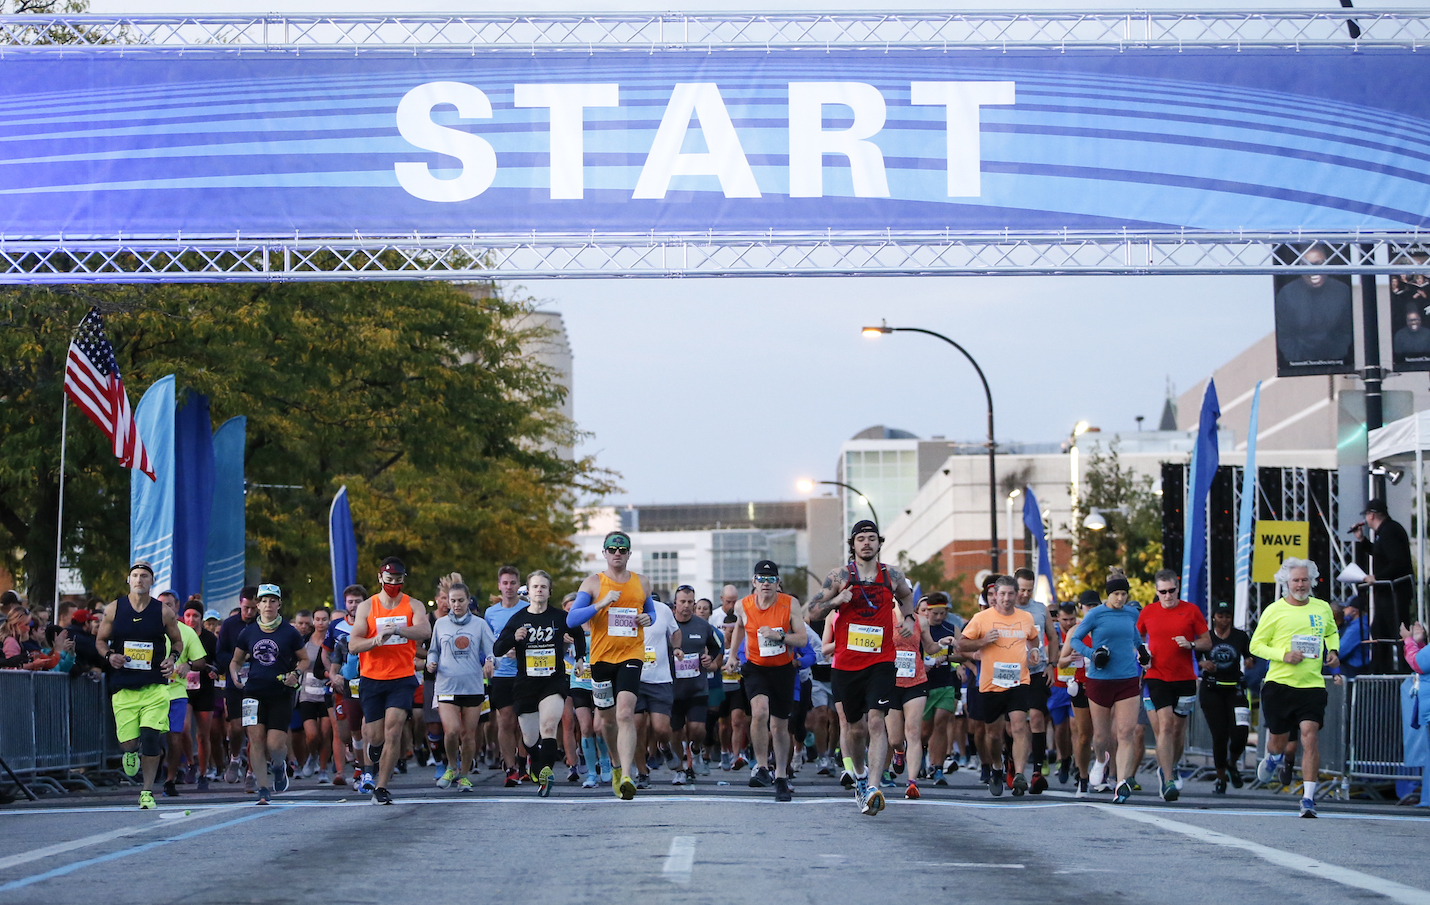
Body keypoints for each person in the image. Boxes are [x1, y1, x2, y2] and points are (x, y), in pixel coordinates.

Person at [806, 520, 918, 816]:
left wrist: (908, 620)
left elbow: (907, 597)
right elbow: (810, 612)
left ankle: (873, 786)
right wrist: (836, 601)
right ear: (853, 545)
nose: (866, 543)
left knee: (875, 722)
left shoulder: (892, 575)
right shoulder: (840, 576)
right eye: (861, 539)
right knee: (855, 729)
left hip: (881, 661)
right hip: (846, 664)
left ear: (879, 543)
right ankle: (858, 774)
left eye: (871, 538)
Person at [566, 530, 658, 800]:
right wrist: (601, 604)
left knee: (625, 714)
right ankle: (616, 766)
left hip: (631, 654)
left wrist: (647, 619)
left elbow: (650, 610)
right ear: (604, 552)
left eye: (622, 549)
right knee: (606, 722)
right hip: (601, 658)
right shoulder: (593, 583)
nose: (617, 553)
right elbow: (572, 619)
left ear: (629, 554)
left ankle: (628, 774)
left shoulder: (642, 582)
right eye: (612, 549)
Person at [1252, 558, 1340, 818]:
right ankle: (1272, 758)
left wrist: (1333, 650)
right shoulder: (1274, 611)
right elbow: (1256, 645)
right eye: (1295, 580)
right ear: (1286, 583)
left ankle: (1308, 799)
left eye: (1304, 580)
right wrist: (1283, 654)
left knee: (1309, 735)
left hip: (1311, 685)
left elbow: (1331, 632)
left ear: (1311, 581)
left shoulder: (1322, 608)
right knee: (1278, 743)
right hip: (1279, 685)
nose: (1300, 585)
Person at [95, 561, 186, 809]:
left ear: (151, 581)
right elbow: (101, 641)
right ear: (128, 580)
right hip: (124, 686)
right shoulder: (114, 609)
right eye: (135, 575)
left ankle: (147, 791)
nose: (139, 579)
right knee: (129, 743)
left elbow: (177, 642)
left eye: (144, 575)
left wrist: (172, 659)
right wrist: (109, 656)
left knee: (151, 737)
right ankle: (130, 752)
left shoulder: (163, 612)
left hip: (154, 686)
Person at [348, 557, 432, 805]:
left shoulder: (413, 605)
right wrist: (374, 641)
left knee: (394, 730)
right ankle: (374, 750)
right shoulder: (367, 606)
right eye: (389, 579)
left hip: (402, 677)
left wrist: (398, 630)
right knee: (375, 736)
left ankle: (381, 787)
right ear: (379, 578)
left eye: (398, 579)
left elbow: (425, 631)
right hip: (372, 678)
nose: (393, 584)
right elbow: (353, 644)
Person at [494, 570, 584, 797]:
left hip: (553, 681)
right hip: (526, 683)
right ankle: (535, 764)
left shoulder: (560, 617)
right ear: (529, 591)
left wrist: (580, 658)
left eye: (544, 587)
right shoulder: (518, 619)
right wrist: (514, 638)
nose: (540, 590)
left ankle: (546, 773)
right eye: (535, 587)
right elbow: (498, 649)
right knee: (530, 738)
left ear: (550, 591)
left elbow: (579, 634)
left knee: (549, 725)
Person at [725, 561, 807, 802]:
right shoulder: (743, 605)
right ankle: (761, 766)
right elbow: (740, 627)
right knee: (759, 712)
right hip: (755, 668)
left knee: (780, 725)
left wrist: (779, 635)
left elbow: (802, 640)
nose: (766, 583)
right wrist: (731, 655)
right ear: (753, 582)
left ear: (778, 583)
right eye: (761, 578)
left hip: (782, 669)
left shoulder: (790, 604)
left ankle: (781, 775)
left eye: (771, 579)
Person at [1068, 573, 1144, 804]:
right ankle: (1101, 759)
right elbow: (1075, 640)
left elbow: (1136, 637)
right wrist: (1093, 654)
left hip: (1128, 679)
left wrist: (1143, 651)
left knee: (1125, 733)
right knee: (1100, 736)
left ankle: (1121, 781)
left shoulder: (1132, 613)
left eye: (1123, 594)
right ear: (1108, 595)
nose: (1120, 598)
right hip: (1100, 679)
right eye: (1116, 594)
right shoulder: (1095, 614)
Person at [959, 575, 1037, 798]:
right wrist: (982, 642)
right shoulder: (982, 618)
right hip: (991, 683)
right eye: (1002, 594)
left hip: (1018, 680)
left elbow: (1033, 638)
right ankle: (996, 766)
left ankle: (1020, 774)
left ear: (1016, 595)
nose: (1006, 598)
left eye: (1011, 593)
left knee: (1020, 725)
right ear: (995, 596)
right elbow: (962, 643)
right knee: (993, 735)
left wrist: (1034, 651)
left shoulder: (1026, 617)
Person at [230, 585, 308, 805]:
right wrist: (235, 674)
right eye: (264, 601)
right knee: (255, 740)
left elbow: (304, 659)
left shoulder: (289, 632)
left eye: (273, 601)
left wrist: (296, 673)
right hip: (253, 692)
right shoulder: (248, 632)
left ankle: (279, 765)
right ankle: (263, 788)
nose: (268, 605)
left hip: (280, 692)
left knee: (274, 744)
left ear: (279, 605)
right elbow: (236, 660)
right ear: (257, 604)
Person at [1137, 570, 1211, 801]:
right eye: (1163, 592)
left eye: (1171, 591)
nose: (1167, 596)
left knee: (1179, 731)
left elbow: (1207, 642)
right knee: (1166, 725)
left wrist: (1190, 644)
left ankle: (1171, 765)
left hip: (1185, 678)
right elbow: (1136, 639)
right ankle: (1168, 780)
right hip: (1157, 675)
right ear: (1156, 591)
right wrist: (1141, 655)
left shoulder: (1191, 611)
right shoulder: (1148, 612)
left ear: (1177, 589)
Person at [427, 581, 494, 792]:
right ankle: (451, 766)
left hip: (472, 686)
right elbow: (433, 650)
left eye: (460, 600)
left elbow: (492, 650)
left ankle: (464, 775)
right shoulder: (440, 624)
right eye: (452, 600)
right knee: (452, 731)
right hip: (446, 685)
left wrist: (491, 661)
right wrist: (431, 661)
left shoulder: (479, 624)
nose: (456, 605)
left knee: (468, 735)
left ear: (468, 601)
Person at [885, 598, 941, 800]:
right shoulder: (885, 618)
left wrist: (943, 644)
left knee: (914, 731)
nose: (901, 603)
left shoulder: (921, 622)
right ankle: (899, 752)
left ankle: (912, 783)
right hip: (890, 684)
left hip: (916, 681)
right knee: (895, 738)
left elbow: (931, 647)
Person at [1198, 600, 1254, 794]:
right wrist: (1202, 665)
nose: (1224, 620)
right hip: (1212, 689)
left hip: (1235, 688)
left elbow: (1250, 654)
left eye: (1227, 616)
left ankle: (1232, 763)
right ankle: (1220, 777)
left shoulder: (1240, 636)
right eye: (1220, 616)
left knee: (1241, 731)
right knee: (1220, 735)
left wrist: (1249, 660)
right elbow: (1194, 657)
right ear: (1214, 617)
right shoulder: (1206, 637)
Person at [670, 585, 721, 785]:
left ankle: (697, 751)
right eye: (683, 602)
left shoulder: (703, 626)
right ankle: (680, 770)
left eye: (691, 602)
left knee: (697, 729)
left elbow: (717, 647)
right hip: (672, 689)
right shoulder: (668, 626)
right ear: (675, 604)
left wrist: (710, 659)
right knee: (675, 731)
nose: (687, 606)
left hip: (697, 687)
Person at [1355, 498, 1415, 667]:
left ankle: (1401, 672)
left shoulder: (1389, 531)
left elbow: (1397, 561)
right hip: (1387, 595)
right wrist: (1362, 541)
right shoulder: (1386, 532)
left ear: (1372, 515)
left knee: (1394, 633)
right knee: (1380, 632)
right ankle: (1380, 672)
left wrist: (1377, 577)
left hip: (1393, 594)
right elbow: (1380, 553)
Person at [1273, 244, 1354, 368]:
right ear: (1300, 267)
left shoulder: (1342, 292)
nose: (1313, 270)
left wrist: (1335, 356)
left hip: (1336, 358)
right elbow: (1285, 336)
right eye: (1307, 265)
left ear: (1326, 264)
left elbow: (1347, 331)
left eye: (1318, 263)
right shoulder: (1287, 294)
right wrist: (1298, 359)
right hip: (1299, 361)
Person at [1012, 569, 1057, 792]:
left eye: (1029, 590)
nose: (1025, 594)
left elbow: (1053, 635)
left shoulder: (1040, 609)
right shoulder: (1004, 608)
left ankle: (1037, 770)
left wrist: (1052, 664)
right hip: (1010, 671)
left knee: (1037, 717)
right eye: (1021, 589)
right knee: (1015, 723)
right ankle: (1011, 764)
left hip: (1037, 670)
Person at [484, 565, 527, 787]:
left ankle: (524, 761)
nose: (509, 587)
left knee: (525, 722)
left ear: (518, 585)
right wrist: (491, 658)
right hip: (502, 674)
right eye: (505, 583)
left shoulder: (528, 609)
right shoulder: (491, 613)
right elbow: (488, 643)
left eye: (512, 582)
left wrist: (519, 649)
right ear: (499, 586)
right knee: (505, 720)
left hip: (526, 673)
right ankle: (510, 768)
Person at [633, 589, 680, 790]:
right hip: (633, 678)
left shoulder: (663, 610)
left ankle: (664, 747)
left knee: (661, 728)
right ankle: (642, 772)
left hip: (660, 678)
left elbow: (675, 632)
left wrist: (676, 647)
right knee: (636, 728)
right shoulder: (625, 610)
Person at [215, 587, 259, 789]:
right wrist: (236, 660)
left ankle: (252, 771)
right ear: (240, 604)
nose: (249, 612)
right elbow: (220, 654)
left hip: (258, 684)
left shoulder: (264, 625)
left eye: (252, 608)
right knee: (236, 727)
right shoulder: (230, 625)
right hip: (235, 683)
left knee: (255, 730)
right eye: (245, 608)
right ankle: (234, 757)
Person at [181, 603, 219, 790]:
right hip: (183, 689)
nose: (191, 619)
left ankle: (203, 774)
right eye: (188, 615)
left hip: (204, 689)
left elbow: (217, 661)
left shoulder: (209, 638)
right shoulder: (177, 635)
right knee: (183, 727)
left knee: (203, 736)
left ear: (201, 619)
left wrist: (214, 670)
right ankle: (190, 764)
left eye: (195, 615)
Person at [1337, 597, 1373, 678]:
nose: (1343, 610)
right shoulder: (1361, 624)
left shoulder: (1357, 627)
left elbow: (1340, 651)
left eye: (1346, 608)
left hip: (1353, 669)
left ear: (1354, 611)